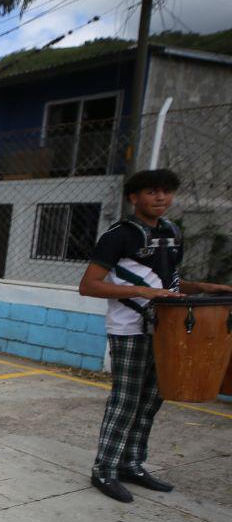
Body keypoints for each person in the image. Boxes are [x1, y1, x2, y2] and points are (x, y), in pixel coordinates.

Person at [79, 168, 232, 503]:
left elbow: (168, 284)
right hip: (129, 329)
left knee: (151, 399)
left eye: (166, 192)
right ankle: (104, 468)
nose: (160, 198)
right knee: (126, 398)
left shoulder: (172, 232)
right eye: (152, 192)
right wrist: (141, 293)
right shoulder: (120, 235)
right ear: (134, 198)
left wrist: (203, 287)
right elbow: (88, 285)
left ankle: (131, 463)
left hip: (166, 329)